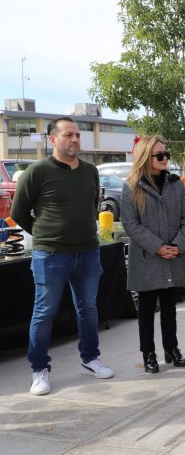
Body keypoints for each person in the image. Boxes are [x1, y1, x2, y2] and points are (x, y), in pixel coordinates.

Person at [11, 117, 114, 396]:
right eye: (69, 134)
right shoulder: (37, 171)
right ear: (53, 139)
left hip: (88, 252)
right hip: (51, 255)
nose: (75, 139)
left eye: (77, 135)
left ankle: (90, 359)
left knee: (88, 308)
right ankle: (39, 369)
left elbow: (91, 206)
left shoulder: (90, 171)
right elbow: (18, 212)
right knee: (44, 312)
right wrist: (45, 235)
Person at [121, 136, 185, 373]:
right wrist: (158, 246)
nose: (165, 158)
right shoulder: (131, 186)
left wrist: (178, 246)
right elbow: (130, 223)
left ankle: (172, 348)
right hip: (147, 258)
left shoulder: (175, 184)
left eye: (166, 154)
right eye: (159, 155)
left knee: (170, 308)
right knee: (146, 309)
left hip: (172, 256)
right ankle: (148, 353)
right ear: (145, 157)